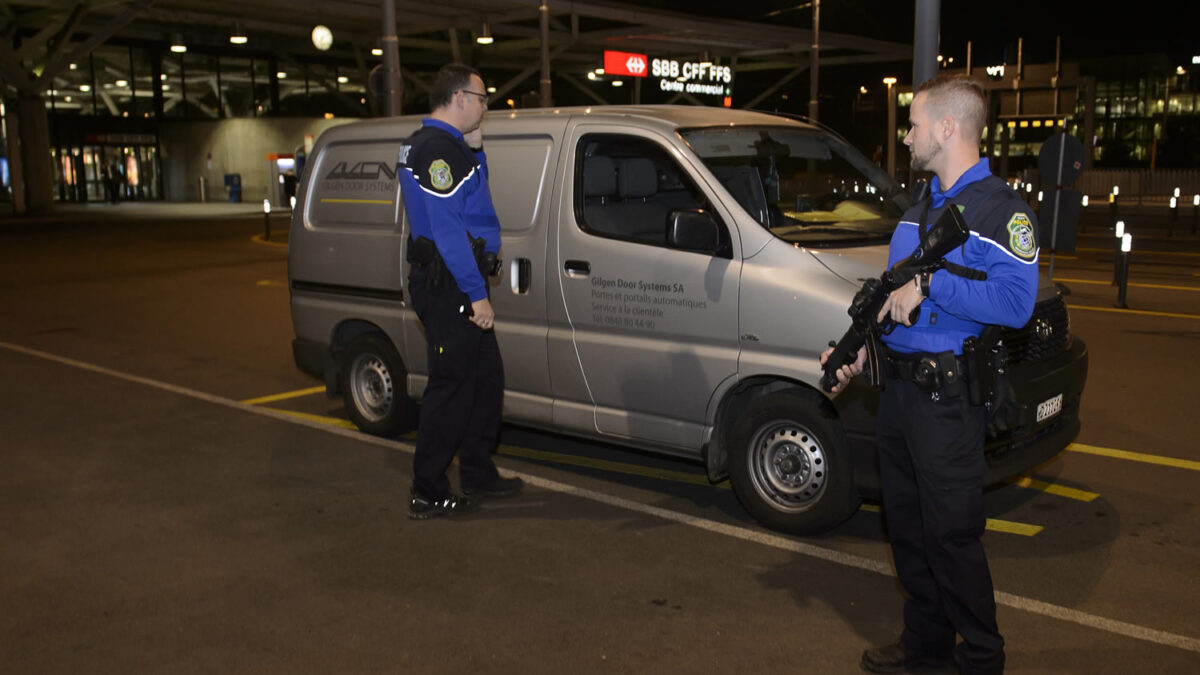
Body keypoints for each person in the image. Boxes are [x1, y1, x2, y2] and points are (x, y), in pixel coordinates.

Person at [822, 74, 1039, 675]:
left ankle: (982, 658)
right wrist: (860, 352)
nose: (908, 134)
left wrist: (934, 283)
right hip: (898, 395)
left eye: (914, 123)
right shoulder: (917, 211)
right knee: (910, 533)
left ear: (947, 128)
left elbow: (1016, 302)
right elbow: (895, 301)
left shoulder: (1003, 211)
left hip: (949, 402)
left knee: (951, 537)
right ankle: (925, 646)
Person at [396, 63, 523, 520]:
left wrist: (477, 150)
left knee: (486, 381)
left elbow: (475, 200)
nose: (486, 106)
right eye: (483, 98)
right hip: (451, 285)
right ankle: (427, 490)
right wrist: (476, 293)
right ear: (459, 98)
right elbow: (449, 231)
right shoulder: (436, 151)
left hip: (457, 280)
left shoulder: (443, 145)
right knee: (450, 388)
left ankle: (477, 470)